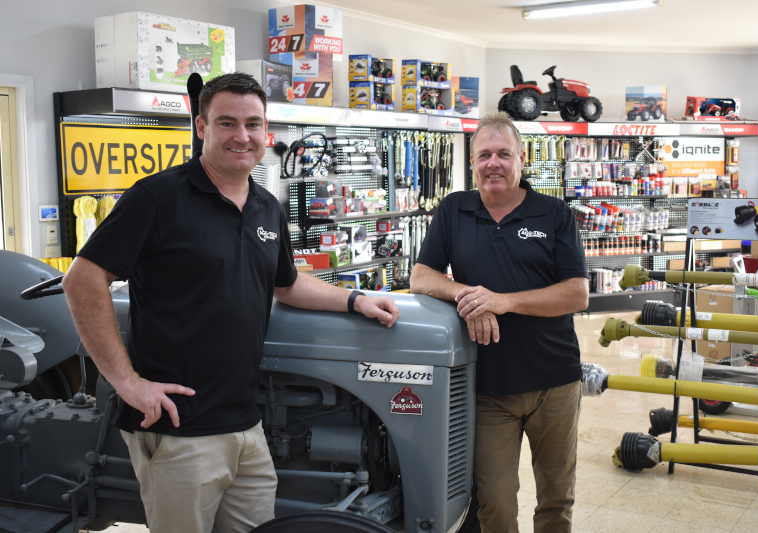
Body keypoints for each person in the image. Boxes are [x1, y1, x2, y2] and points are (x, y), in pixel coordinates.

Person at [62, 72, 400, 533]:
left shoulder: (266, 206)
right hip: (177, 428)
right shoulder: (158, 197)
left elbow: (287, 285)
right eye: (227, 123)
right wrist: (128, 383)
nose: (242, 136)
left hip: (245, 423)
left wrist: (356, 299)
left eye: (252, 124)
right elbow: (82, 279)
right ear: (202, 127)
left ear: (267, 133)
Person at [409, 111, 588, 533]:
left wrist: (503, 302)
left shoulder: (554, 214)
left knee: (556, 499)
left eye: (503, 154)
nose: (494, 163)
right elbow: (421, 276)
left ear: (521, 159)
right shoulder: (453, 209)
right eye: (484, 155)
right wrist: (470, 297)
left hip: (555, 383)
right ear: (471, 162)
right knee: (493, 502)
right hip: (488, 387)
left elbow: (577, 294)